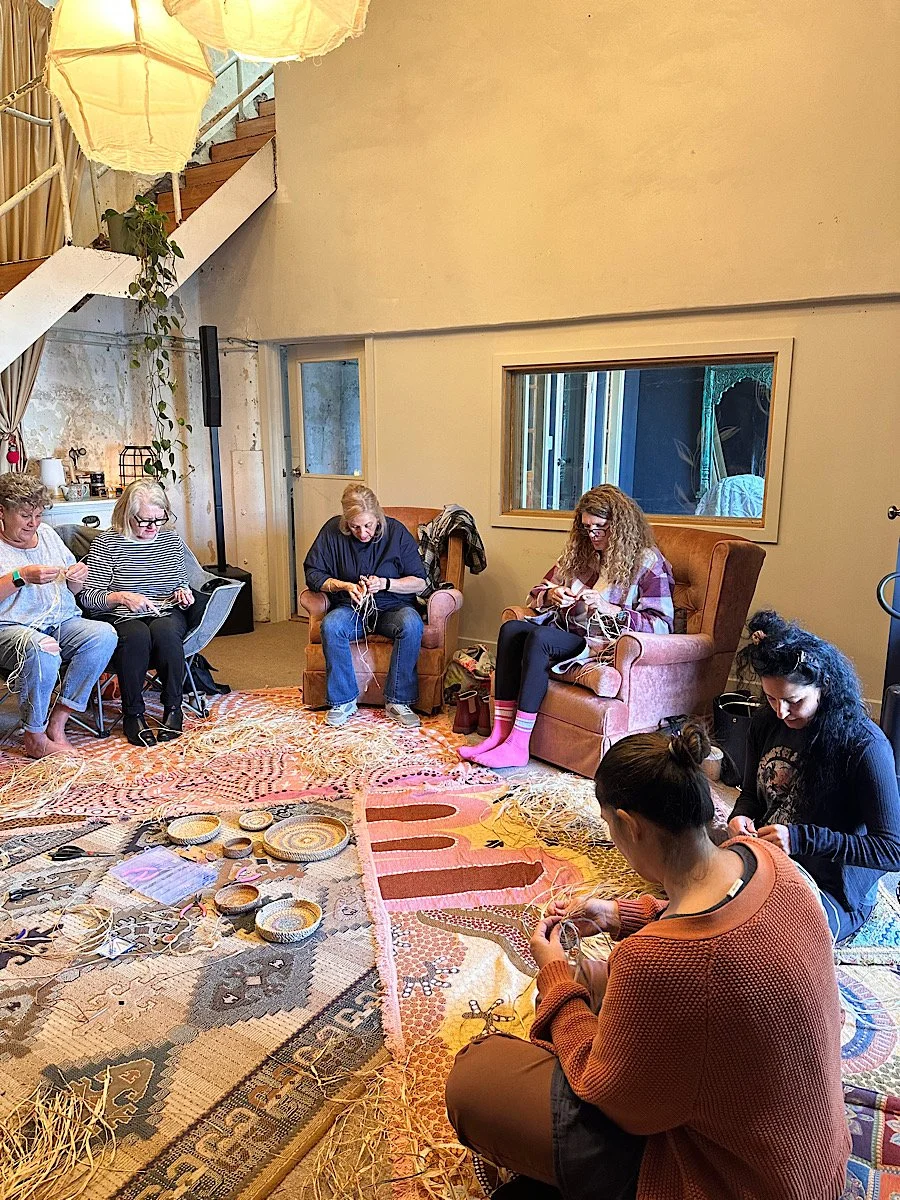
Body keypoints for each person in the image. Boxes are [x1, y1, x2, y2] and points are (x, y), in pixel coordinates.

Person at [446, 725, 850, 1200]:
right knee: (605, 981)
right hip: (814, 1160)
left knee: (476, 1078)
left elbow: (604, 1089)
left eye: (610, 827)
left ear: (629, 824)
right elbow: (717, 920)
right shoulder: (769, 861)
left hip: (738, 1182)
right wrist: (620, 913)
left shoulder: (656, 962)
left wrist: (555, 975)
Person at [459, 485, 674, 769]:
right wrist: (550, 595)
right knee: (511, 630)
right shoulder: (582, 552)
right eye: (586, 528)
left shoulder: (648, 563)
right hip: (567, 629)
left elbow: (662, 625)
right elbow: (536, 591)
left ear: (620, 526)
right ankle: (500, 734)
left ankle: (518, 744)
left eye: (600, 528)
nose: (593, 535)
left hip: (600, 645)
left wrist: (614, 611)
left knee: (540, 638)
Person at [728, 608, 900, 940]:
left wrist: (801, 838)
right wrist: (741, 816)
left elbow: (892, 850)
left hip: (831, 886)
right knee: (705, 901)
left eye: (794, 700)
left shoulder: (866, 745)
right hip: (771, 862)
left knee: (766, 940)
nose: (781, 711)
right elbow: (750, 795)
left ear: (825, 686)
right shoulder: (766, 721)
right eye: (771, 698)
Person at [0, 475, 117, 758]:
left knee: (103, 635)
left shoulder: (49, 536)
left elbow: (73, 588)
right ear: (1, 511)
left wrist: (79, 576)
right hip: (13, 628)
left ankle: (58, 722)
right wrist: (21, 576)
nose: (33, 523)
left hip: (61, 620)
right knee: (44, 650)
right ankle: (34, 736)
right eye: (25, 515)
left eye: (38, 515)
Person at [81, 480, 196, 748]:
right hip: (121, 615)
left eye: (159, 519)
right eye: (144, 520)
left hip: (164, 610)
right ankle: (133, 714)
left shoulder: (171, 539)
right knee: (136, 636)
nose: (152, 527)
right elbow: (88, 597)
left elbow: (180, 580)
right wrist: (121, 597)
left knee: (166, 633)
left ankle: (173, 709)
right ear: (127, 515)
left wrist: (183, 592)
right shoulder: (107, 543)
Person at [303, 484, 427, 728]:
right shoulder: (331, 531)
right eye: (355, 527)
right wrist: (344, 586)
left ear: (377, 517)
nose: (362, 533)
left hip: (392, 607)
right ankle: (343, 701)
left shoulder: (397, 533)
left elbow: (419, 581)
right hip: (352, 608)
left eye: (368, 525)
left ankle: (398, 701)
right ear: (345, 522)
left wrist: (385, 583)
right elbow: (313, 574)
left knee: (411, 624)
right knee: (331, 625)